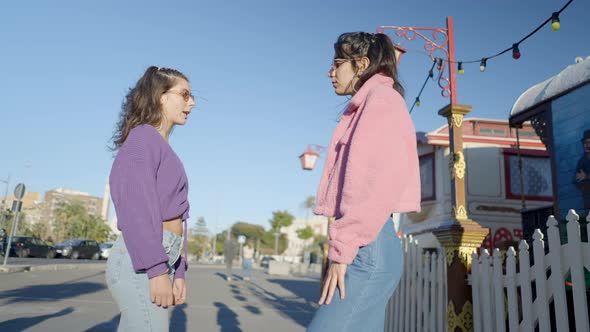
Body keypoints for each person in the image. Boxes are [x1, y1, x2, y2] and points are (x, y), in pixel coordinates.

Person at [307, 32, 421, 332]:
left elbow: (370, 182)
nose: (330, 72)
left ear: (362, 64)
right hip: (371, 243)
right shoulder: (376, 100)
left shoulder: (380, 100)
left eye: (337, 63)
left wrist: (343, 248)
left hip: (366, 247)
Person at [106, 66, 195, 331]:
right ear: (161, 96)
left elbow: (178, 214)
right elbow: (136, 210)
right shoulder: (143, 139)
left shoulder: (159, 145)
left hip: (160, 256)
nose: (192, 102)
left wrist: (178, 271)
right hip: (142, 262)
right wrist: (157, 271)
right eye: (185, 94)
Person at [575, 129, 590, 208]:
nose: (588, 145)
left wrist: (586, 176)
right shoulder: (581, 161)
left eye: (589, 142)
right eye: (585, 143)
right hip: (587, 199)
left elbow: (584, 176)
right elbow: (576, 179)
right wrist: (581, 185)